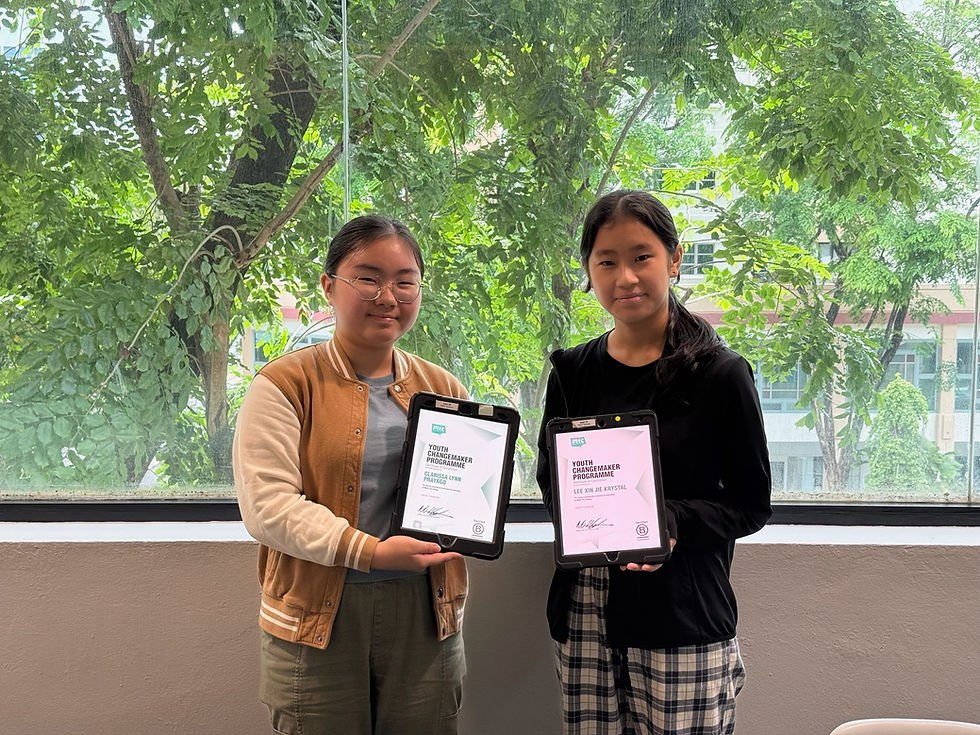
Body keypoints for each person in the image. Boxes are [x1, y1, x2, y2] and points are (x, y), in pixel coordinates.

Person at [536, 190, 772, 735]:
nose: (626, 278)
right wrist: (591, 522)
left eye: (642, 257)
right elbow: (552, 481)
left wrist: (668, 523)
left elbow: (750, 505)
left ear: (674, 257)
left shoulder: (720, 374)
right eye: (607, 262)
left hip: (681, 612)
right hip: (585, 611)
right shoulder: (571, 372)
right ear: (589, 271)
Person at [234, 214, 467, 735]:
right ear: (329, 286)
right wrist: (372, 551)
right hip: (316, 619)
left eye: (405, 281)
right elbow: (268, 507)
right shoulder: (283, 384)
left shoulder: (443, 387)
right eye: (368, 278)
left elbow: (464, 487)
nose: (389, 296)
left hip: (427, 613)